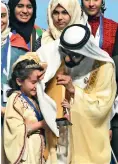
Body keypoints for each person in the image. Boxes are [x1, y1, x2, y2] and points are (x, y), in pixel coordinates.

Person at [37, 24, 116, 163]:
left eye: (74, 55)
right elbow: (37, 57)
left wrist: (73, 90)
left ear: (85, 52)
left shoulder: (104, 67)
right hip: (63, 136)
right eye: (66, 53)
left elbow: (102, 106)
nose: (68, 59)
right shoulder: (65, 54)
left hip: (90, 141)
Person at [3, 52, 48, 164]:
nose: (36, 86)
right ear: (19, 81)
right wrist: (43, 124)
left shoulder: (37, 99)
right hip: (28, 155)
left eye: (38, 82)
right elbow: (16, 130)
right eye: (33, 82)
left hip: (39, 151)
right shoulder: (15, 99)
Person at [1, 1, 28, 117]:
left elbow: (26, 78)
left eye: (3, 16)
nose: (0, 21)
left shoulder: (18, 43)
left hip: (10, 107)